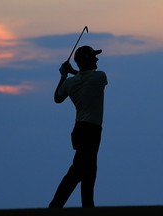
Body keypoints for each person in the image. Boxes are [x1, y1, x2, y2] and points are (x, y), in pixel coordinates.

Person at [48, 45, 108, 208]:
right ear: (87, 60)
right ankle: (55, 206)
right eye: (93, 56)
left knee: (89, 171)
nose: (97, 59)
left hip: (80, 130)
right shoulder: (100, 77)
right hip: (91, 131)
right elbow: (85, 78)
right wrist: (72, 72)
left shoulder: (70, 83)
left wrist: (64, 74)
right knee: (78, 171)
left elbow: (57, 98)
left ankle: (88, 206)